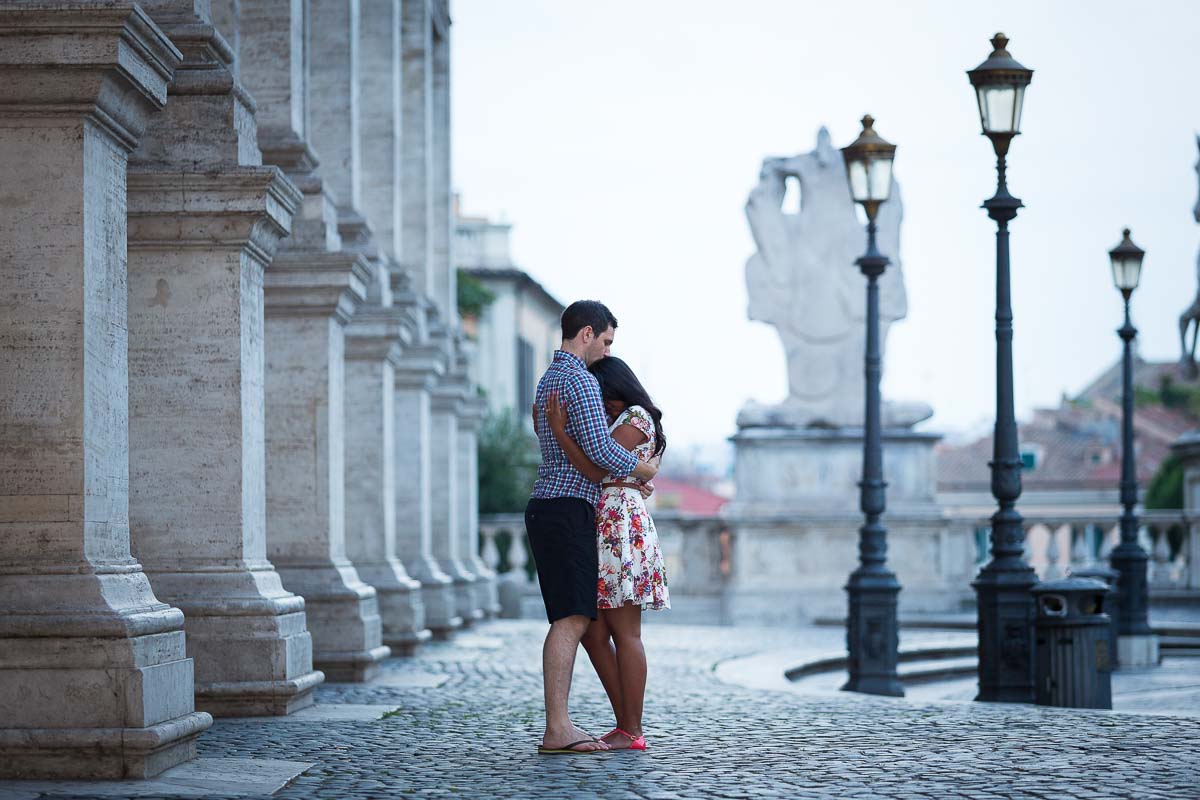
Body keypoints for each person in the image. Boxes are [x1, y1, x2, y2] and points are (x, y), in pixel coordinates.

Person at [526, 300, 659, 756]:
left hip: (555, 507)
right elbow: (602, 454)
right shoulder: (578, 380)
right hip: (566, 508)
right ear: (586, 333)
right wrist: (641, 472)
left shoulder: (547, 379)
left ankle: (583, 726)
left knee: (578, 620)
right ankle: (559, 728)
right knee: (572, 620)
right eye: (604, 342)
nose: (606, 353)